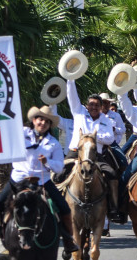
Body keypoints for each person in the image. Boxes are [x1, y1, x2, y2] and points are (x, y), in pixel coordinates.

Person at [0, 106, 79, 257]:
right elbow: (5, 136)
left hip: (42, 182)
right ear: (34, 120)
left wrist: (47, 162)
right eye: (40, 119)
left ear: (50, 125)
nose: (43, 123)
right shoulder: (20, 134)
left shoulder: (53, 143)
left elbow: (59, 167)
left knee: (64, 208)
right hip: (18, 180)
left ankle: (68, 240)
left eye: (47, 121)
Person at [54, 80, 125, 223]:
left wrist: (93, 138)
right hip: (75, 153)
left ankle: (113, 208)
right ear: (87, 106)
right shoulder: (79, 112)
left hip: (96, 155)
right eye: (91, 104)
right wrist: (71, 79)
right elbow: (72, 95)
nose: (94, 107)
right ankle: (57, 209)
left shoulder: (106, 120)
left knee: (112, 174)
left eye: (97, 105)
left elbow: (110, 139)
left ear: (100, 107)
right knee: (58, 174)